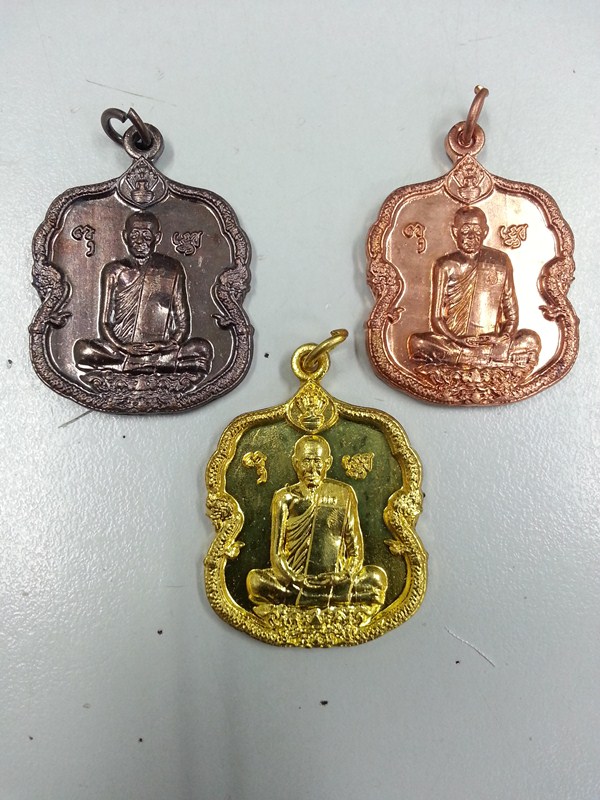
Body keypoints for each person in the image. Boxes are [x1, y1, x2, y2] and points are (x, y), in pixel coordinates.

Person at [247, 435, 387, 609]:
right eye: (306, 461)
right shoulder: (284, 498)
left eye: (317, 462)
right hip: (295, 582)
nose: (312, 468)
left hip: (334, 581)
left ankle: (310, 598)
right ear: (296, 463)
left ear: (328, 463)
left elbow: (356, 551)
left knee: (377, 578)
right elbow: (277, 556)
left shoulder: (344, 493)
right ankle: (335, 598)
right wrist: (295, 579)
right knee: (255, 581)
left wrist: (342, 576)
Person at [74, 211, 213, 375]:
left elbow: (182, 324)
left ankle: (129, 366)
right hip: (122, 350)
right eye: (134, 235)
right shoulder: (114, 270)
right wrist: (123, 346)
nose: (140, 241)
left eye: (146, 235)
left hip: (160, 349)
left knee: (202, 348)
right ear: (125, 236)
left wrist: (164, 345)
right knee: (83, 350)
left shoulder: (172, 268)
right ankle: (159, 366)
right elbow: (105, 323)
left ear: (157, 237)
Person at [408, 206, 540, 368]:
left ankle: (469, 358)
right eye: (465, 230)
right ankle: (483, 358)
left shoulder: (500, 260)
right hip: (456, 343)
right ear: (455, 232)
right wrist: (457, 339)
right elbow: (436, 318)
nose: (471, 236)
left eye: (477, 231)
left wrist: (503, 337)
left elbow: (511, 313)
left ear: (485, 232)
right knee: (417, 342)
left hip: (491, 343)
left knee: (531, 338)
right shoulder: (445, 265)